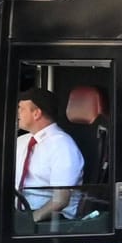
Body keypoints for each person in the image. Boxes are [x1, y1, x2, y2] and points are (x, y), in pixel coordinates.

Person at [15, 87, 84, 223]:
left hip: (52, 220)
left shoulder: (63, 145)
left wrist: (31, 220)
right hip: (20, 213)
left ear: (36, 114)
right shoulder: (21, 141)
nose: (17, 113)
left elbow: (61, 200)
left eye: (21, 108)